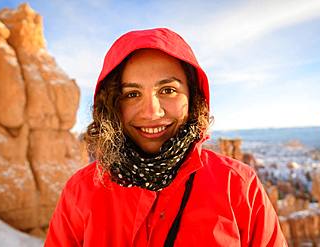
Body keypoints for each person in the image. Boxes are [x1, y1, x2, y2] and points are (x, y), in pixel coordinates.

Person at [45, 28, 287, 247]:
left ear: (193, 98)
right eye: (131, 94)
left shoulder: (237, 185)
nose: (152, 112)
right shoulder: (82, 192)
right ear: (111, 105)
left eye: (168, 90)